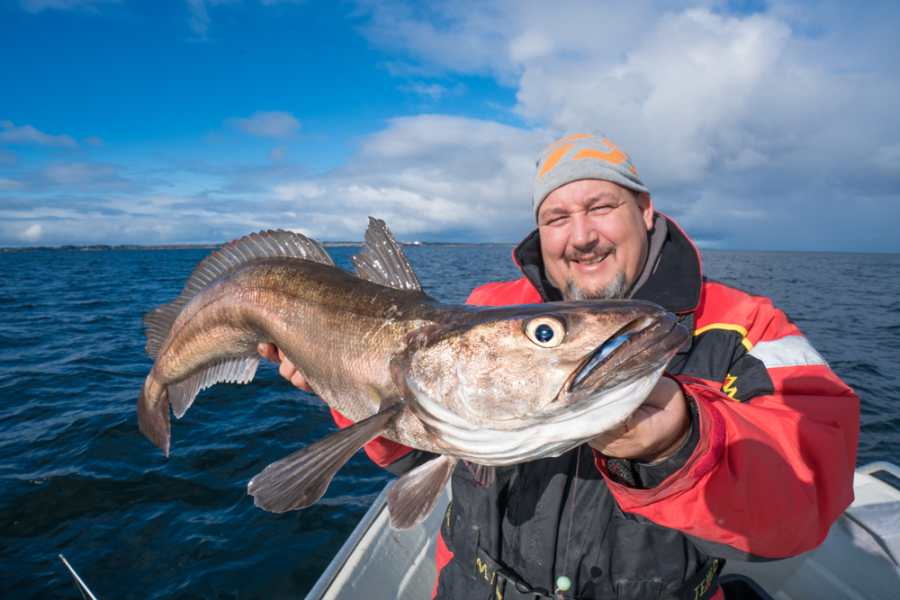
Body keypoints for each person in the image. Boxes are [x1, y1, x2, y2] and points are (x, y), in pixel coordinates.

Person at [259, 133, 860, 600]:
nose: (581, 237)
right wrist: (339, 385)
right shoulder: (485, 310)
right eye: (556, 218)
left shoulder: (745, 326)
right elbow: (413, 451)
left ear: (645, 211)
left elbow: (809, 501)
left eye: (600, 206)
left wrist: (682, 441)